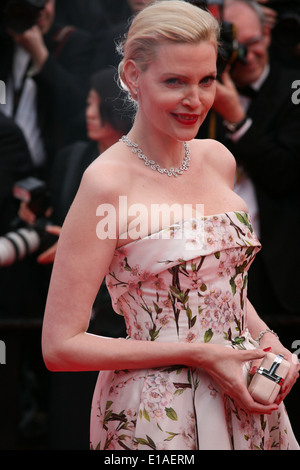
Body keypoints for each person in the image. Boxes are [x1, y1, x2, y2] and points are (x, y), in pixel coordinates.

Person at [42, 1, 299, 451]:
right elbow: (60, 347)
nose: (195, 100)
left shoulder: (217, 158)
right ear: (132, 77)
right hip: (156, 416)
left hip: (246, 394)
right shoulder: (105, 183)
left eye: (207, 80)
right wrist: (197, 353)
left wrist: (269, 344)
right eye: (175, 82)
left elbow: (219, 288)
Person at [0, 0, 93, 178]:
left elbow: (75, 105)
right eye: (31, 4)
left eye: (47, 1)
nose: (41, 10)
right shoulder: (5, 43)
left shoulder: (71, 41)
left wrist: (40, 56)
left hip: (47, 172)